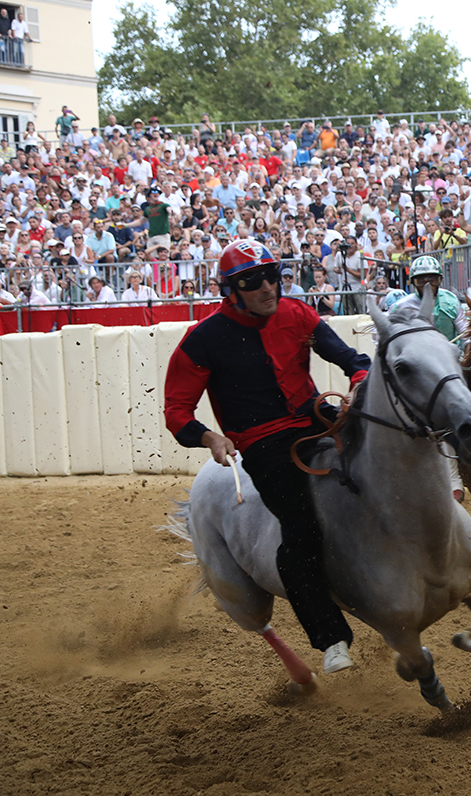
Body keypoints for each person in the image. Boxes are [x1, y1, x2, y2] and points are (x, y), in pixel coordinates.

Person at [164, 240, 371, 674]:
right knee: (300, 527)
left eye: (273, 275)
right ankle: (331, 637)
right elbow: (177, 413)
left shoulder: (298, 313)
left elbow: (351, 358)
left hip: (317, 417)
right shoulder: (202, 340)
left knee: (392, 444)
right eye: (252, 281)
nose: (267, 287)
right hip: (263, 447)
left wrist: (358, 382)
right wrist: (210, 439)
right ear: (232, 289)